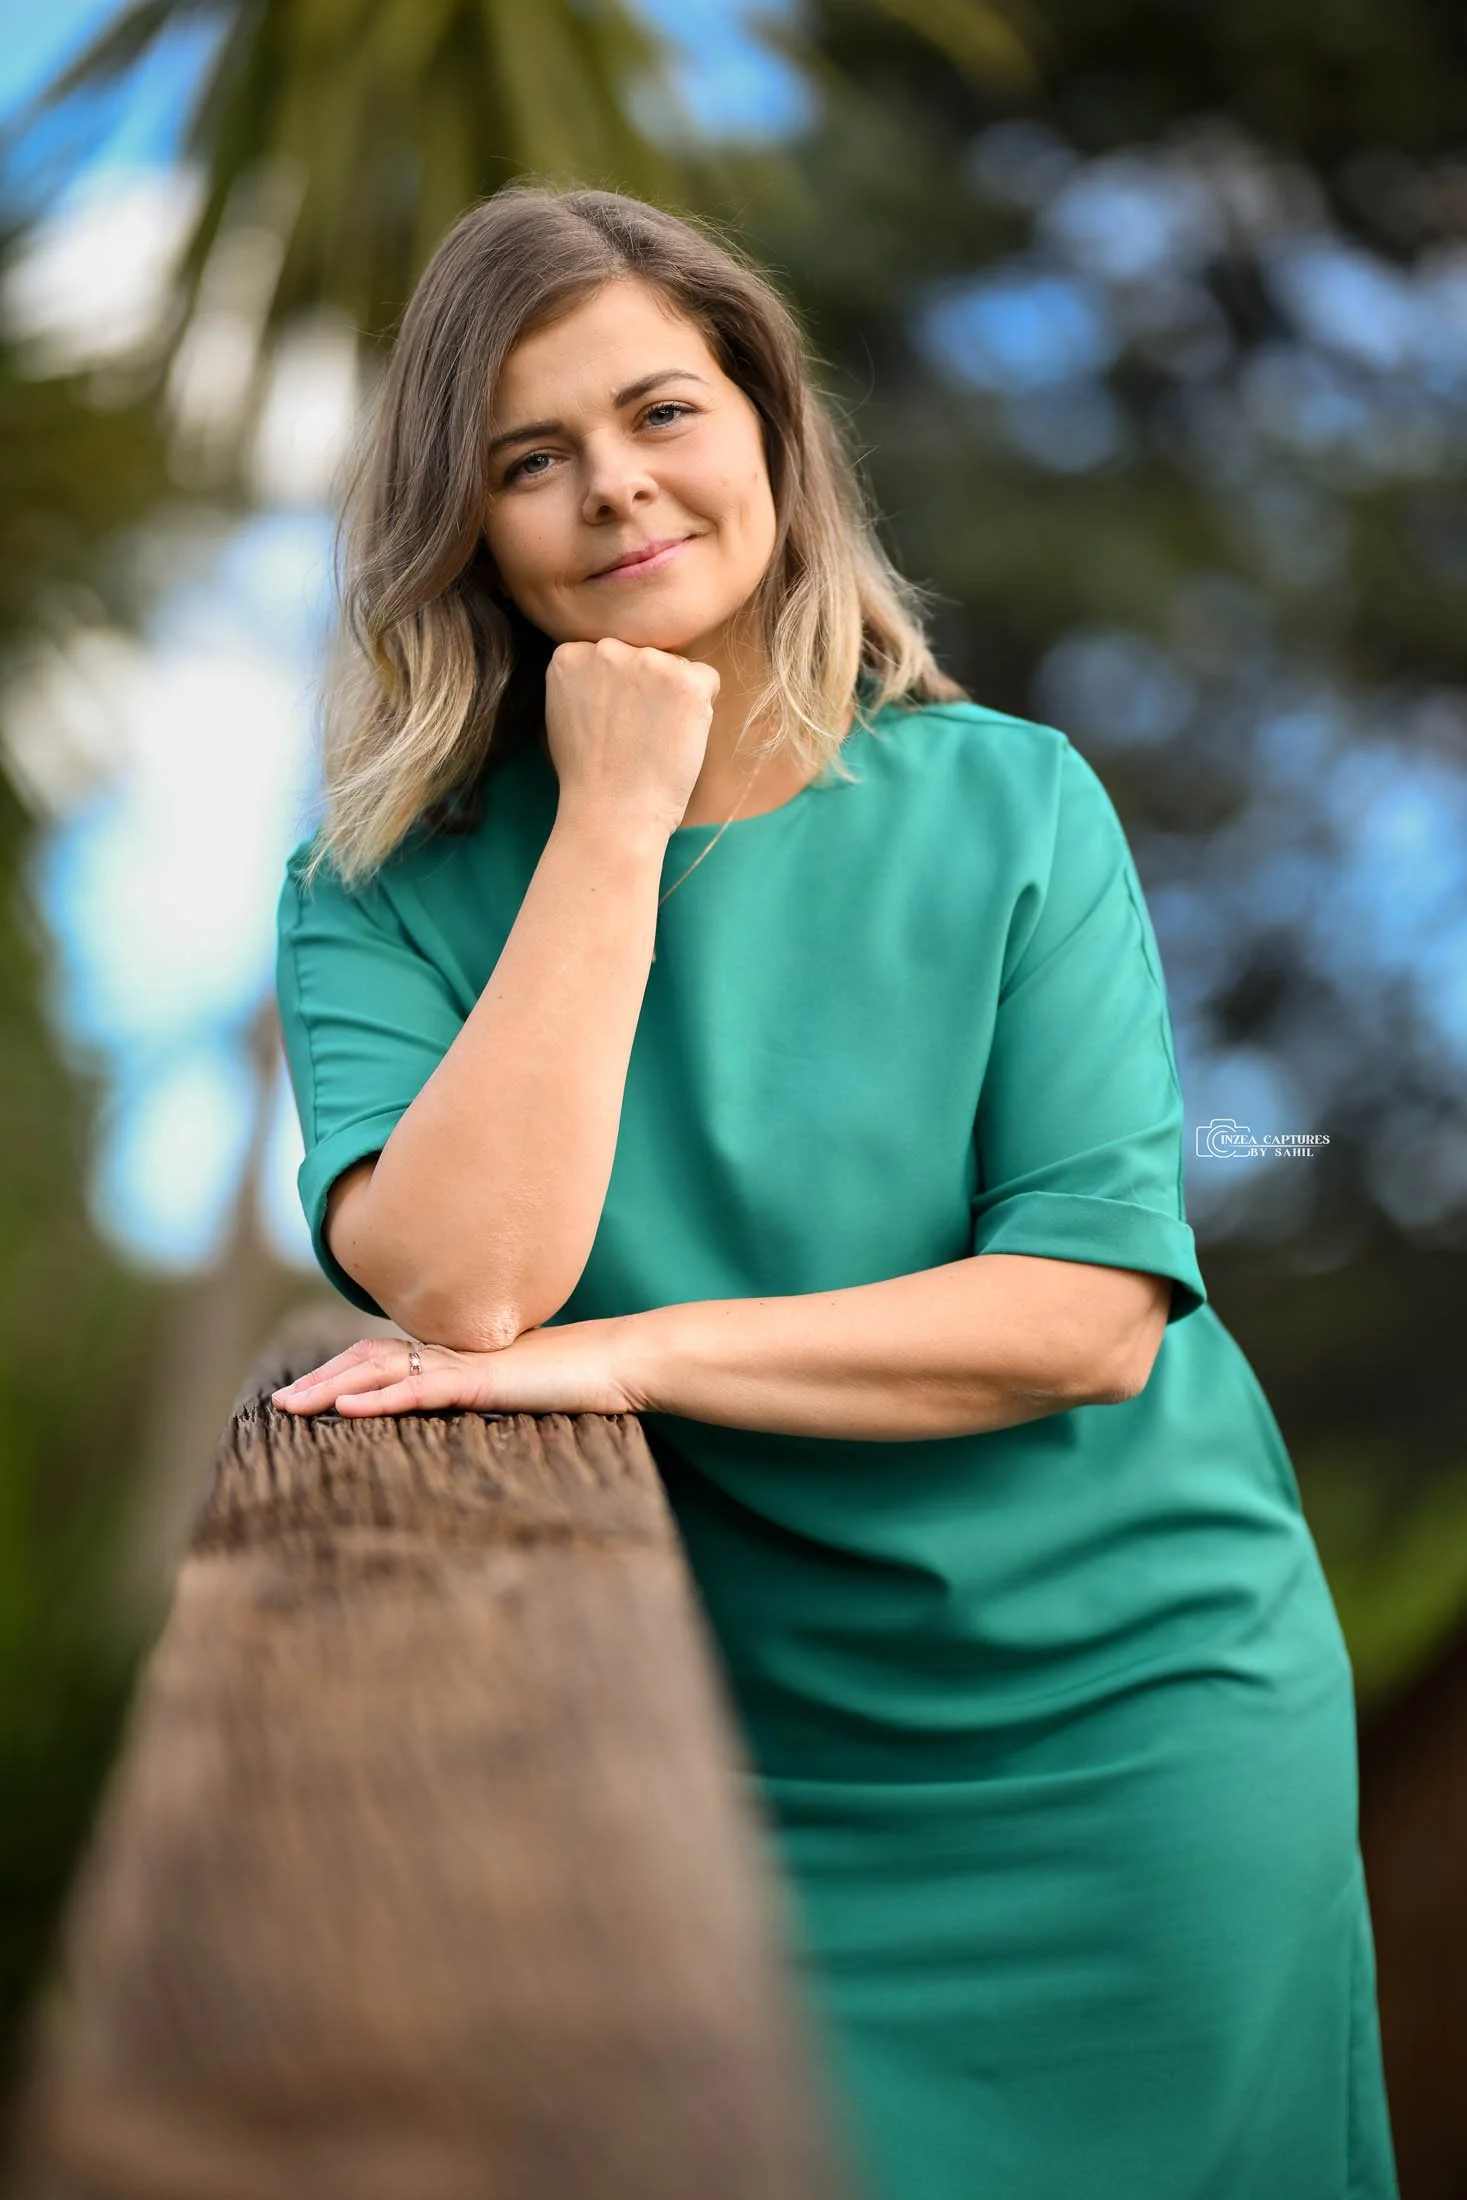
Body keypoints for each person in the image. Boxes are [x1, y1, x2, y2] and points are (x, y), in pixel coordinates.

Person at [271, 180, 1399, 2200]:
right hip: (736, 1772)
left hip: (1140, 1728)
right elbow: (464, 1283)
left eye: (660, 414)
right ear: (463, 526)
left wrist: (626, 1356)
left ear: (770, 427)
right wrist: (613, 814)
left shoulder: (1011, 800)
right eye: (529, 461)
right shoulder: (377, 893)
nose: (614, 491)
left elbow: (1082, 1314)